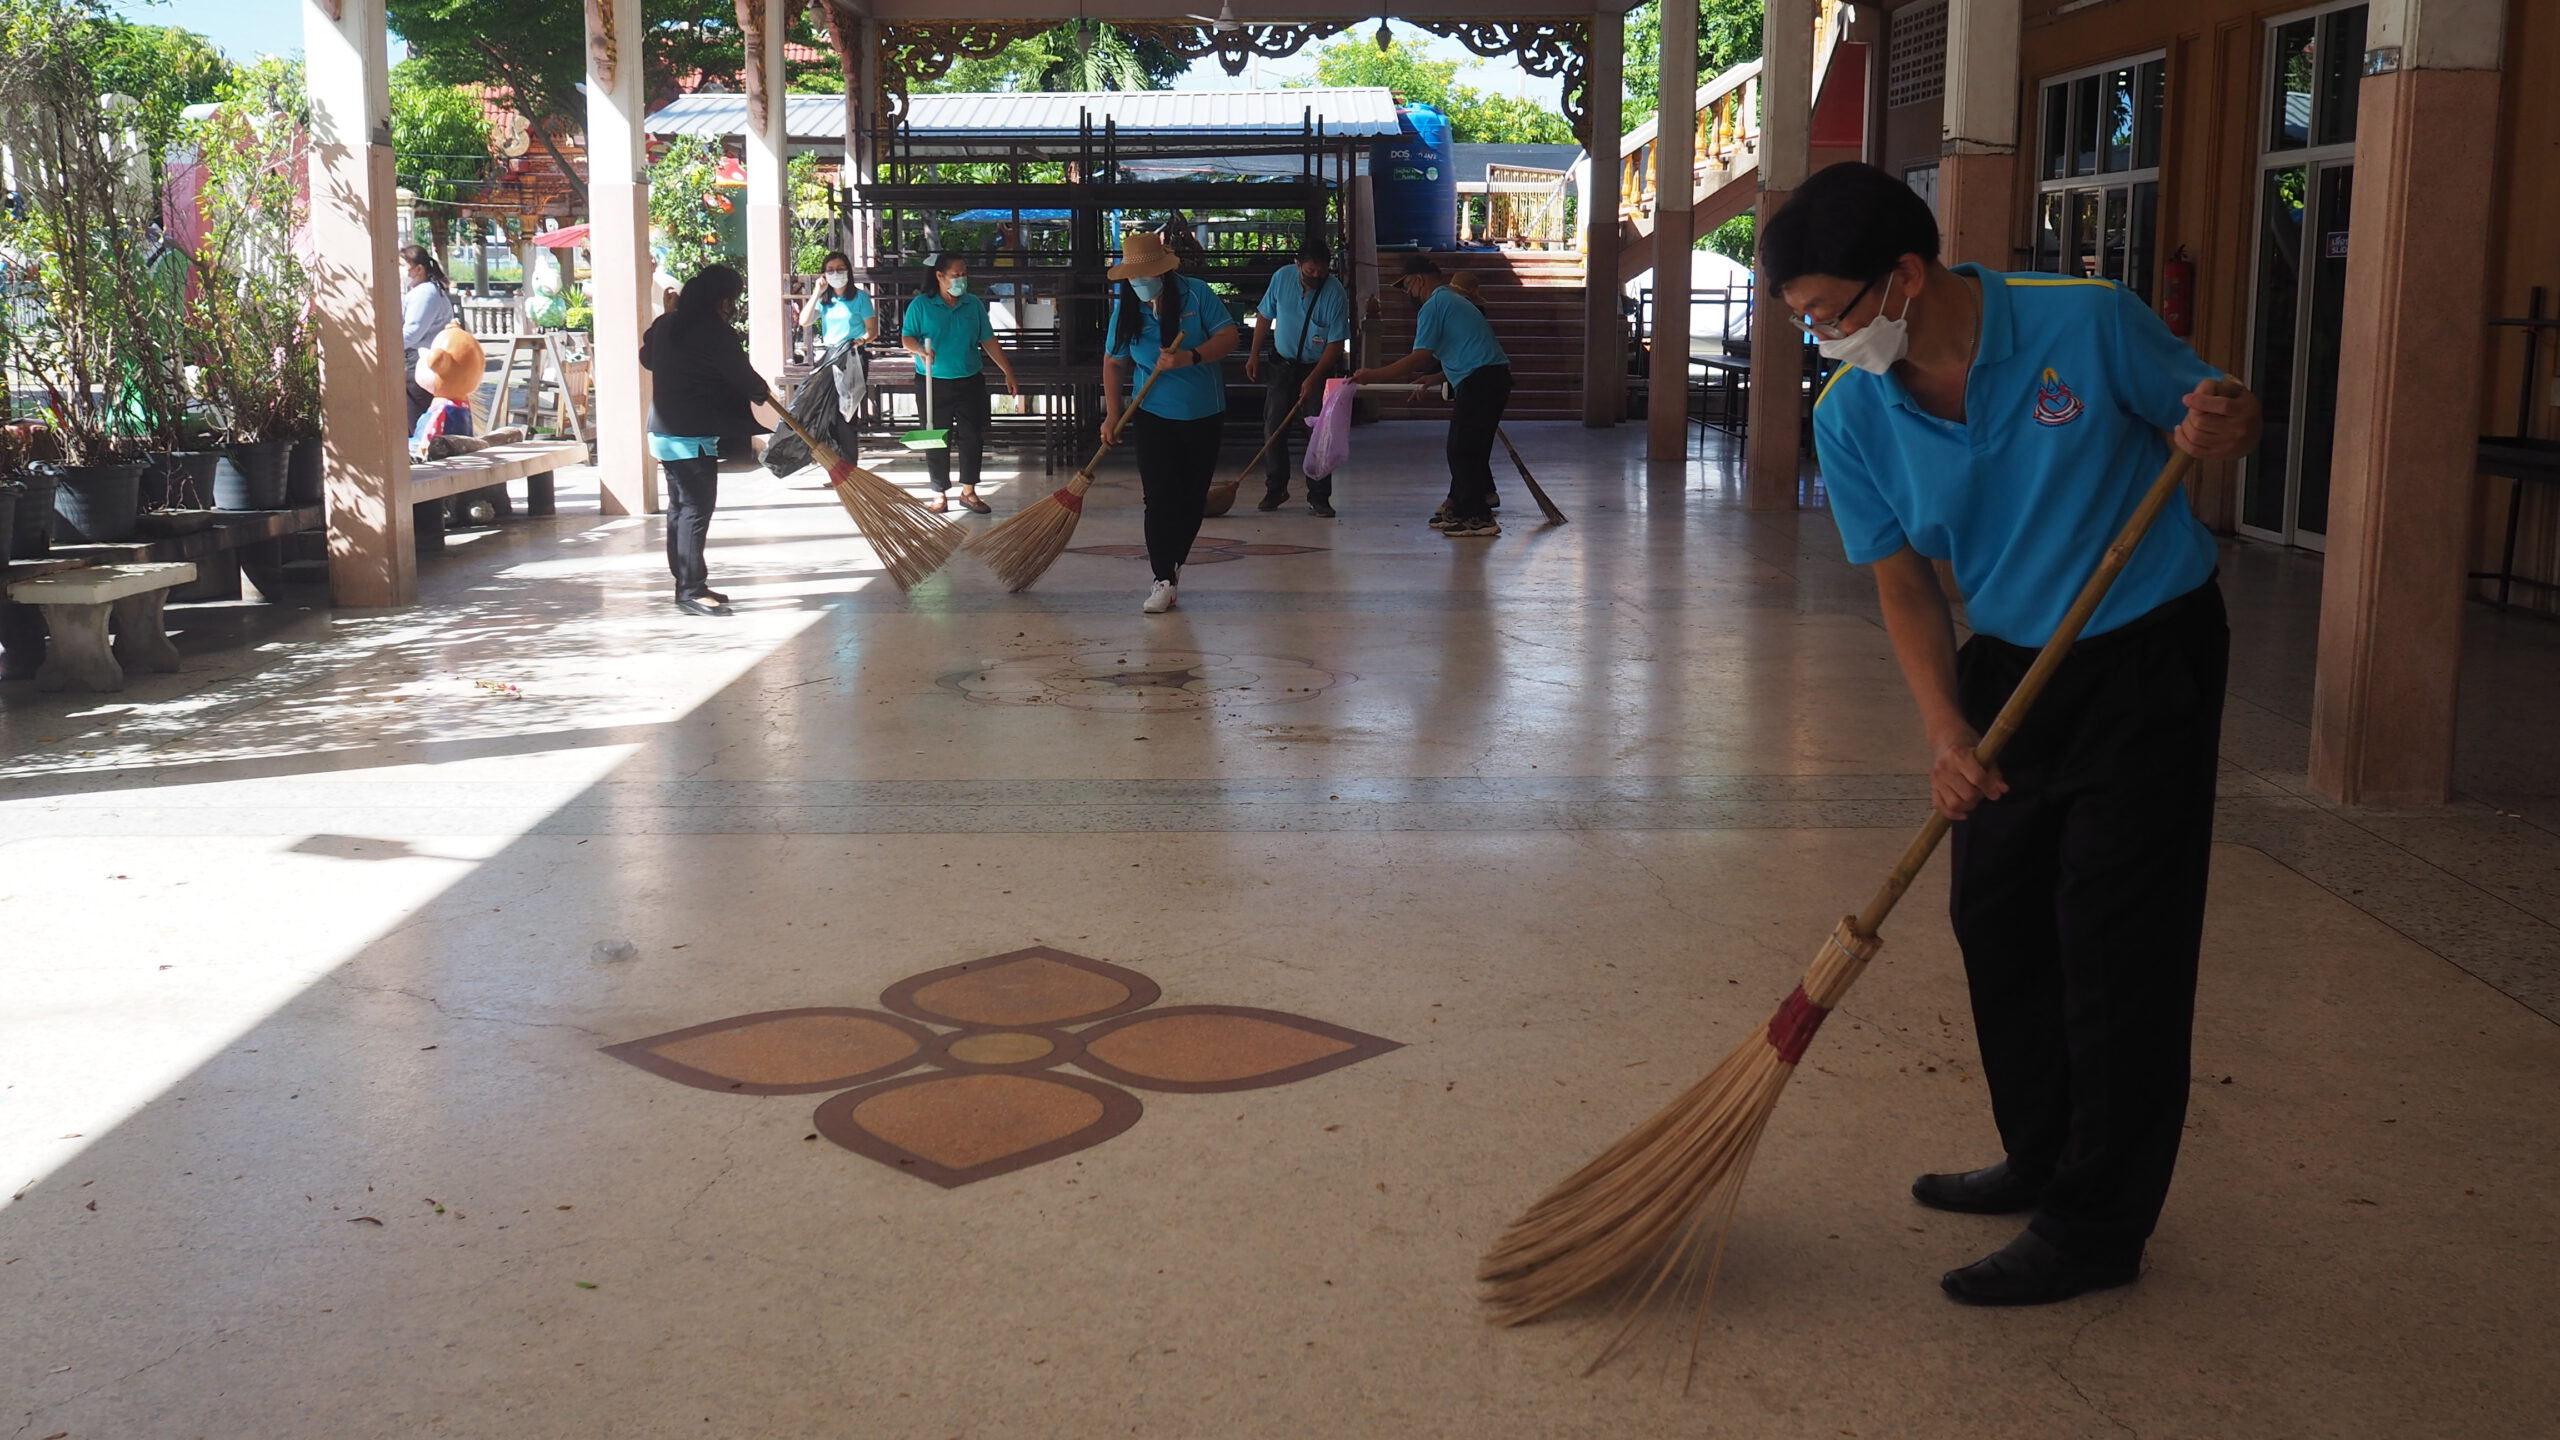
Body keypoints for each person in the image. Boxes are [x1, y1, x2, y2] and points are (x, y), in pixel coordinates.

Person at [1765, 162, 2262, 1306]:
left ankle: (2095, 1225)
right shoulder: (1852, 414)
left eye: (1831, 313)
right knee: (1994, 912)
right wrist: (1946, 729)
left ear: (1905, 275)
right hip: (2007, 665)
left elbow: (2213, 419)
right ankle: (2040, 1152)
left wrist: (2224, 421)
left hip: (2146, 650)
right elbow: (1900, 582)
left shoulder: (2082, 325)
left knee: (2114, 934)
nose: (1823, 339)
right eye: (1800, 322)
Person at [1102, 230, 1240, 614]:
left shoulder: (1197, 294)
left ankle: (1174, 563)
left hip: (1203, 411)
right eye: (1132, 278)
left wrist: (1190, 357)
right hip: (1152, 413)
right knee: (1158, 497)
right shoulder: (1127, 306)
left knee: (1191, 498)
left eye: (1144, 277)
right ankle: (1162, 577)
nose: (1139, 284)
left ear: (1163, 271)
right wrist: (1113, 414)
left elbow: (1230, 337)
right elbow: (1114, 362)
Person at [640, 265, 774, 617]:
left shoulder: (669, 325)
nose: (733, 307)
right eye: (732, 299)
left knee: (680, 510)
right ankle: (690, 590)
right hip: (690, 436)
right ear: (723, 300)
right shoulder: (715, 333)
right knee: (695, 511)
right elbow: (742, 376)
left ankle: (688, 583)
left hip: (665, 433)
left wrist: (665, 317)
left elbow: (646, 357)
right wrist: (762, 391)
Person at [1351, 256, 1512, 538]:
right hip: (1488, 378)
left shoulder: (1435, 305)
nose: (1408, 295)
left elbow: (1420, 356)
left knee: (1463, 449)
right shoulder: (1451, 301)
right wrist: (1437, 377)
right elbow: (1461, 349)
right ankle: (1463, 509)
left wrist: (1374, 374)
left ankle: (1478, 516)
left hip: (1482, 380)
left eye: (1408, 288)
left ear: (1419, 280)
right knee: (1466, 447)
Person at [900, 252, 1020, 514]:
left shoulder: (973, 304)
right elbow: (906, 338)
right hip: (933, 381)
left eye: (964, 274)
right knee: (934, 436)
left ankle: (969, 491)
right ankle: (939, 493)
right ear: (940, 276)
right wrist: (920, 350)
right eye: (956, 275)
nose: (961, 279)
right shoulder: (921, 305)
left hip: (969, 379)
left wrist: (1007, 371)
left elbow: (988, 340)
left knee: (972, 436)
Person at [1246, 239, 1350, 516]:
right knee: (1273, 426)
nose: (1316, 276)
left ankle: (1319, 496)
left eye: (1321, 271)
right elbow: (1264, 316)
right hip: (1282, 365)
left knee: (1318, 432)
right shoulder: (1281, 279)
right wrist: (1254, 354)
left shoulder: (1335, 293)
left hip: (1316, 367)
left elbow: (1335, 344)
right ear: (1298, 265)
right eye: (1310, 270)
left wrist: (1313, 379)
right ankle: (1275, 488)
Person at [797, 249, 875, 461]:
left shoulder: (860, 298)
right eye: (830, 270)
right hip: (830, 357)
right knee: (828, 414)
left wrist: (861, 341)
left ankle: (849, 467)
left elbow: (872, 330)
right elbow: (804, 321)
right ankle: (835, 466)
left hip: (852, 357)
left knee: (846, 415)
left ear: (848, 271)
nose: (835, 273)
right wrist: (816, 293)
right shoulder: (825, 300)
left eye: (840, 269)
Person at [399, 245, 456, 430]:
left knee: (415, 419)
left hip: (420, 361)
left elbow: (412, 333)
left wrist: (385, 346)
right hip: (424, 360)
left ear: (418, 269)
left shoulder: (424, 293)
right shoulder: (426, 291)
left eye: (402, 265)